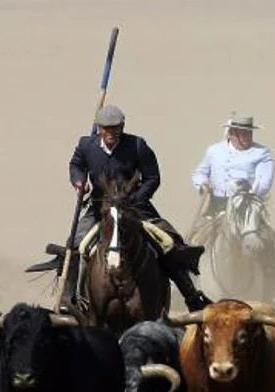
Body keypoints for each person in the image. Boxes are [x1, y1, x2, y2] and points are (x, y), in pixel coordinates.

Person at [54, 104, 210, 314]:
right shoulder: (86, 145)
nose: (111, 133)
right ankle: (68, 297)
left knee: (168, 242)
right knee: (75, 244)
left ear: (122, 126)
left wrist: (134, 200)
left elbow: (152, 178)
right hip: (99, 208)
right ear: (99, 128)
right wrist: (79, 181)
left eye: (116, 128)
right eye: (107, 129)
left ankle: (191, 296)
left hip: (136, 208)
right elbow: (76, 164)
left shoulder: (137, 145)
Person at [191, 112, 274, 215]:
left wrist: (251, 194)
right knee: (199, 229)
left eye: (249, 134)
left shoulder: (261, 153)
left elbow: (264, 182)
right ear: (231, 134)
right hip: (216, 205)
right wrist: (202, 184)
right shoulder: (214, 150)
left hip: (246, 208)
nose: (246, 138)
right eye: (241, 134)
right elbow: (200, 173)